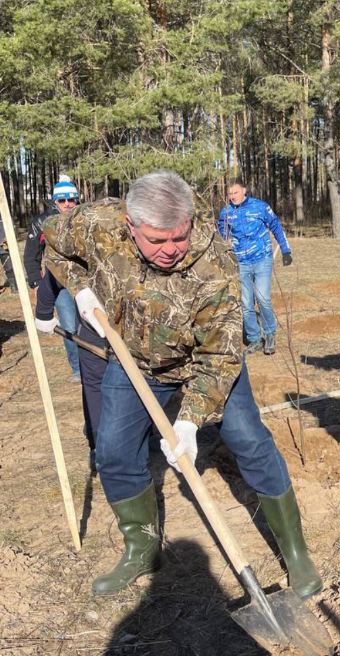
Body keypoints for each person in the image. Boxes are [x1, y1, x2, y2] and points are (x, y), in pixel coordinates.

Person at [43, 170, 321, 599]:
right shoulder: (98, 224)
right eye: (158, 240)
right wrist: (79, 288)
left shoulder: (216, 265)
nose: (171, 249)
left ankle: (296, 552)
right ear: (130, 225)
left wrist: (189, 422)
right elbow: (50, 242)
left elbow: (220, 356)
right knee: (113, 451)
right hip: (133, 361)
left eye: (180, 236)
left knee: (250, 442)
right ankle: (141, 548)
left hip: (202, 362)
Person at [34, 269, 107, 472]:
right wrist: (43, 312)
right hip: (93, 328)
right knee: (95, 386)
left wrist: (43, 312)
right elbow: (58, 271)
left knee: (139, 382)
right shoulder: (82, 251)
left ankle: (144, 436)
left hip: (136, 329)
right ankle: (98, 444)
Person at [218, 179, 292, 356]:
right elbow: (221, 236)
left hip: (262, 258)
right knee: (246, 303)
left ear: (244, 190)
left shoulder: (260, 207)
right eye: (230, 194)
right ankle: (254, 339)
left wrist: (286, 250)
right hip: (240, 263)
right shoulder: (226, 212)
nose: (232, 196)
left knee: (263, 297)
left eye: (236, 192)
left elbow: (275, 226)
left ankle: (270, 334)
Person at [25, 175, 81, 382]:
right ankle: (78, 369)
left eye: (71, 199)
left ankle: (98, 364)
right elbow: (31, 256)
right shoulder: (41, 222)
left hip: (87, 281)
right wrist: (36, 282)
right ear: (55, 201)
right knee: (70, 326)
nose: (67, 204)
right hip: (59, 283)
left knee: (93, 324)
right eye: (62, 200)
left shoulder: (85, 218)